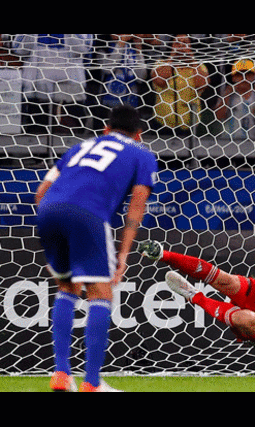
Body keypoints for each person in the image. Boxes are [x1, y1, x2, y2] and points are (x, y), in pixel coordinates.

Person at [35, 105, 158, 392]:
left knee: (66, 288)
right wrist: (123, 256)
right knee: (101, 293)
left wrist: (53, 237)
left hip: (49, 211)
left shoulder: (81, 146)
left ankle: (62, 374)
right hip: (88, 214)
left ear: (106, 129)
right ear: (138, 133)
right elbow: (136, 208)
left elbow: (41, 192)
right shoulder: (142, 154)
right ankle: (92, 382)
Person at [151, 34, 210, 136]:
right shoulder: (160, 64)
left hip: (190, 125)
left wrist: (191, 59)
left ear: (191, 46)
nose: (181, 46)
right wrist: (172, 57)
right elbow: (159, 81)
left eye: (185, 43)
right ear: (171, 46)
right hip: (162, 124)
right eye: (177, 43)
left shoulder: (199, 67)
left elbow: (202, 84)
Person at [214, 58, 255, 141]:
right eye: (239, 75)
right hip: (228, 141)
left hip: (252, 142)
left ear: (253, 77)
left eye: (248, 74)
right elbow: (218, 117)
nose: (244, 78)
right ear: (233, 78)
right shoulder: (227, 94)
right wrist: (227, 95)